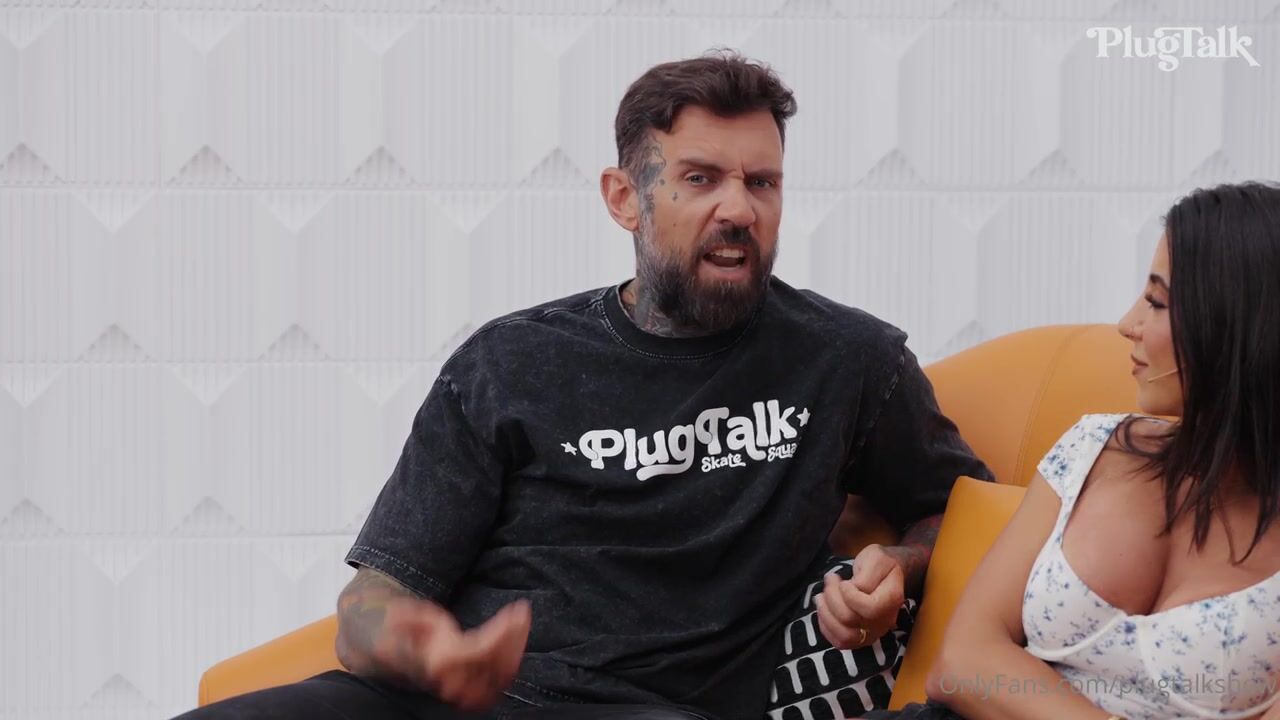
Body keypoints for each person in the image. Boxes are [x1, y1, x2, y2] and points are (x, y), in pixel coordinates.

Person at [177, 51, 989, 720]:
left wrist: (899, 564)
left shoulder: (847, 361)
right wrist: (424, 648)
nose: (739, 208)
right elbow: (367, 608)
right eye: (700, 178)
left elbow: (968, 511)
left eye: (762, 182)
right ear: (623, 199)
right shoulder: (508, 364)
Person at [867, 182, 1280, 720]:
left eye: (1156, 302)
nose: (1127, 324)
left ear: (1234, 325)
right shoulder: (1094, 448)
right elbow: (962, 663)